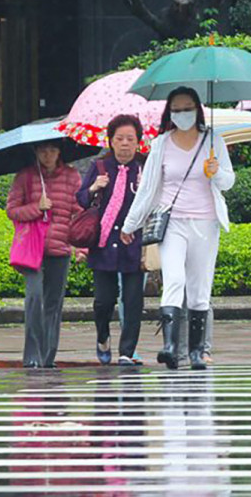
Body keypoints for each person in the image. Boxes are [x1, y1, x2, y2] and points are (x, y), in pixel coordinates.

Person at [122, 87, 235, 370]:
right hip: (171, 223)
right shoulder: (161, 144)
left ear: (197, 109)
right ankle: (170, 347)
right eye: (176, 109)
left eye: (187, 108)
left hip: (206, 223)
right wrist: (130, 224)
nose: (182, 114)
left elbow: (228, 182)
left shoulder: (213, 141)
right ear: (169, 113)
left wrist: (216, 171)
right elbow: (147, 189)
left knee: (200, 288)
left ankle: (197, 352)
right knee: (174, 280)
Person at [6, 140, 83, 368]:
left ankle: (47, 356)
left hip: (60, 248)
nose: (47, 155)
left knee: (53, 304)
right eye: (42, 150)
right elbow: (12, 210)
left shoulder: (72, 176)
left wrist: (82, 246)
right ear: (35, 152)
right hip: (32, 250)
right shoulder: (25, 176)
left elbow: (80, 212)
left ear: (60, 151)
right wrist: (36, 208)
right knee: (34, 298)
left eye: (52, 150)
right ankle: (32, 354)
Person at [76, 115, 145, 366]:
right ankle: (102, 336)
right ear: (111, 141)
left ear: (138, 142)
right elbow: (81, 199)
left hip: (133, 245)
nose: (125, 144)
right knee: (103, 301)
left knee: (133, 300)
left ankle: (126, 351)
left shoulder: (144, 169)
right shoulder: (100, 167)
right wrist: (94, 187)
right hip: (103, 244)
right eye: (120, 139)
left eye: (131, 139)